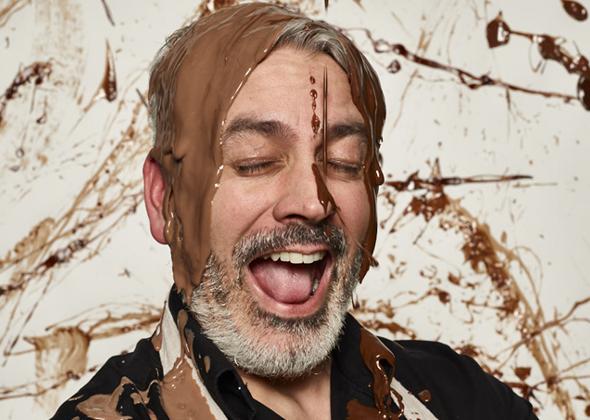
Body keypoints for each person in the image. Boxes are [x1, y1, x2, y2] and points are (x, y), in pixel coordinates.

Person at [53, 3, 537, 419]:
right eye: (255, 160)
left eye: (343, 163)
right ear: (165, 201)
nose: (312, 202)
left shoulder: (461, 397)